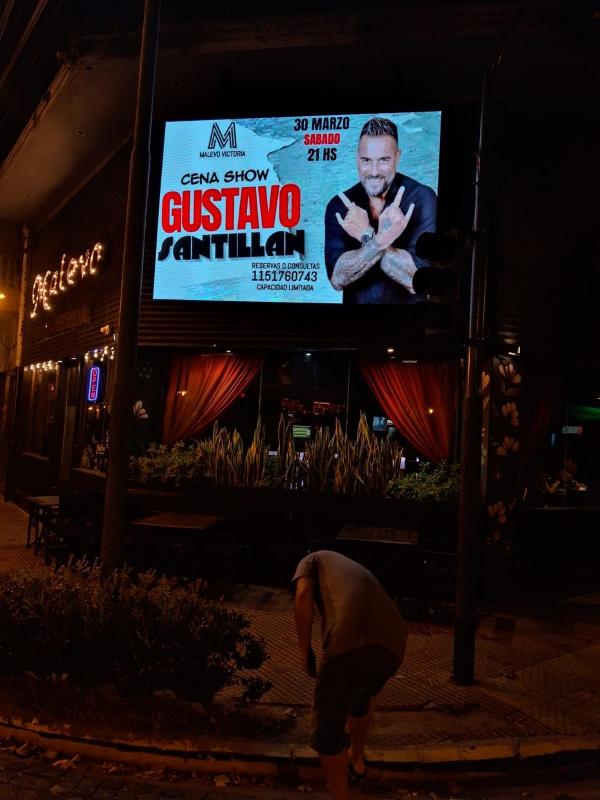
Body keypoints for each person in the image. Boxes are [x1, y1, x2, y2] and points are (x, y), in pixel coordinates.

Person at [292, 549, 408, 800]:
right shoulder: (345, 567)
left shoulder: (311, 560)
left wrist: (304, 650)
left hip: (349, 643)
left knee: (326, 730)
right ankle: (357, 760)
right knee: (359, 699)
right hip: (394, 646)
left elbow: (302, 594)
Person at [325, 117, 437, 304]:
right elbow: (337, 280)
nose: (374, 171)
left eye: (384, 160)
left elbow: (416, 280)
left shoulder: (422, 198)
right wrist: (379, 241)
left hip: (411, 319)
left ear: (397, 157)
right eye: (366, 160)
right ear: (357, 159)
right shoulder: (340, 205)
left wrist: (366, 234)